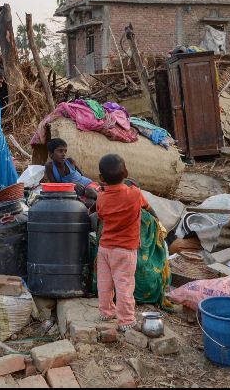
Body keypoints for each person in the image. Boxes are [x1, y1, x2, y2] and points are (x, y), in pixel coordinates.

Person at [95, 154, 157, 332]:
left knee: (104, 283)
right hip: (126, 250)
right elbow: (148, 208)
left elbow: (99, 215)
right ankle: (127, 321)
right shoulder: (135, 194)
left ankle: (106, 312)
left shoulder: (101, 197)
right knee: (125, 286)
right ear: (127, 173)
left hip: (105, 248)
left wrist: (102, 191)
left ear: (101, 179)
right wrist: (158, 220)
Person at [44, 138, 100, 207]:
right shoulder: (49, 166)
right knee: (89, 204)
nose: (64, 154)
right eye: (60, 151)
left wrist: (75, 185)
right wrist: (72, 185)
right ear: (51, 154)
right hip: (76, 193)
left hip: (89, 186)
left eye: (65, 151)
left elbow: (81, 175)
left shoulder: (70, 161)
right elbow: (55, 186)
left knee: (89, 191)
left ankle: (104, 199)